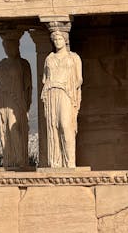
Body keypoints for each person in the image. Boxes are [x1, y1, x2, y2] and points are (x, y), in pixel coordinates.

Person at [42, 30, 82, 168]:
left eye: (59, 39)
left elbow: (79, 79)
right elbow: (45, 79)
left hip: (66, 93)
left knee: (66, 125)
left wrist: (66, 85)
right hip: (52, 93)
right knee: (53, 127)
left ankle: (70, 162)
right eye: (55, 39)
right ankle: (56, 163)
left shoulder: (74, 58)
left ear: (65, 40)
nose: (57, 42)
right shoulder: (49, 58)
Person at [0, 31, 32, 168]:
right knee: (5, 127)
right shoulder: (1, 64)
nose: (8, 49)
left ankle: (20, 159)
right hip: (3, 98)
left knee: (14, 126)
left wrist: (27, 104)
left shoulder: (24, 64)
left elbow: (28, 87)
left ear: (17, 46)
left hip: (17, 99)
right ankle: (9, 159)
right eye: (6, 47)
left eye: (11, 46)